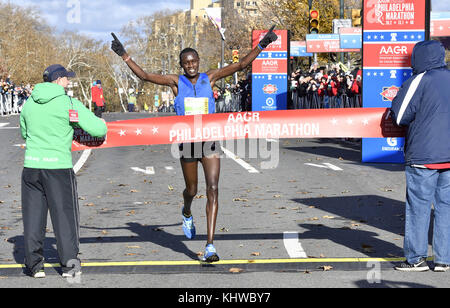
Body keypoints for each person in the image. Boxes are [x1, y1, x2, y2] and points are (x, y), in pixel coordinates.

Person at [111, 27, 278, 262]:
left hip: (209, 141)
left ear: (199, 61)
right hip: (188, 143)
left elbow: (239, 65)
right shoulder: (175, 82)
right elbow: (145, 76)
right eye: (187, 63)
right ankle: (186, 210)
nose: (191, 66)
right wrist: (124, 55)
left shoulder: (209, 77)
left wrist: (263, 44)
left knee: (213, 189)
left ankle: (210, 245)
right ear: (182, 65)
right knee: (192, 190)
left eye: (194, 61)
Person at [20, 64, 107, 278]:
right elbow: (98, 129)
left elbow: (24, 133)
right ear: (58, 80)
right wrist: (101, 122)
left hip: (31, 166)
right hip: (58, 167)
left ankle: (34, 266)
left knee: (33, 218)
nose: (69, 82)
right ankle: (69, 265)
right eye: (67, 79)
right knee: (64, 217)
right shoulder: (69, 103)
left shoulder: (29, 103)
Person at [391, 40, 450, 272]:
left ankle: (416, 258)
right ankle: (443, 259)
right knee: (446, 207)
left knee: (419, 207)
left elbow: (399, 115)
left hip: (424, 155)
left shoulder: (419, 80)